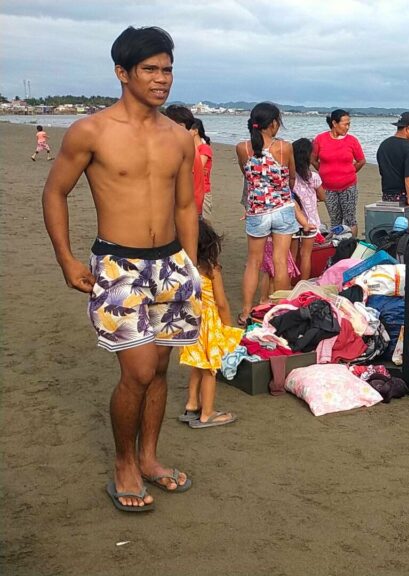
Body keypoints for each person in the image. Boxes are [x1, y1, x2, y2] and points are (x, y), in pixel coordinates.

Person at [42, 26, 198, 512]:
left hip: (171, 264)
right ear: (122, 73)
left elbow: (187, 205)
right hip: (118, 264)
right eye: (150, 69)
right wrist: (66, 258)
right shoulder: (93, 130)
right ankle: (123, 465)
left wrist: (189, 264)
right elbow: (55, 192)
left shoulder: (179, 137)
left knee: (162, 370)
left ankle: (149, 458)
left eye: (167, 69)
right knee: (139, 369)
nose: (161, 79)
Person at [235, 102, 310, 323]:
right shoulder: (284, 147)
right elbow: (292, 176)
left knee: (253, 262)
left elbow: (247, 176)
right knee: (280, 260)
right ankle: (280, 309)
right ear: (274, 123)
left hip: (257, 210)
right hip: (283, 209)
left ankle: (246, 311)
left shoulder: (243, 148)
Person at [178, 219, 242, 428]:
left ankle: (192, 403)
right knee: (210, 370)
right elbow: (221, 303)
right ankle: (207, 413)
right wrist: (227, 327)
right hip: (209, 322)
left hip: (189, 321)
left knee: (198, 363)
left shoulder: (181, 268)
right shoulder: (211, 269)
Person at [312, 109, 365, 235]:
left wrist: (350, 172)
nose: (347, 127)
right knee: (335, 219)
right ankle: (336, 246)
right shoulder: (320, 139)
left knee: (349, 219)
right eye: (345, 124)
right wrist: (324, 171)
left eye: (349, 124)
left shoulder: (352, 140)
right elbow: (313, 159)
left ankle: (351, 246)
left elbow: (361, 160)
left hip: (348, 186)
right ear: (334, 123)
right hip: (328, 188)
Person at [163, 105, 207, 220]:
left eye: (179, 126)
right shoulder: (180, 148)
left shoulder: (186, 151)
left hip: (186, 211)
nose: (173, 129)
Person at [377, 111, 409, 206]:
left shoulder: (383, 145)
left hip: (387, 195)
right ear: (408, 128)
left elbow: (382, 170)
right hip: (403, 195)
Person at [291, 137, 326, 280]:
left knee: (291, 256)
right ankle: (303, 284)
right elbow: (323, 196)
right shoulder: (313, 177)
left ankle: (288, 283)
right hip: (310, 221)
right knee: (306, 255)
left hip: (292, 220)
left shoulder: (290, 177)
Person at [193, 118, 214, 220]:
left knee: (203, 224)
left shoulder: (204, 148)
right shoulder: (188, 148)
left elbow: (197, 167)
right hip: (189, 190)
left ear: (195, 131)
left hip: (203, 191)